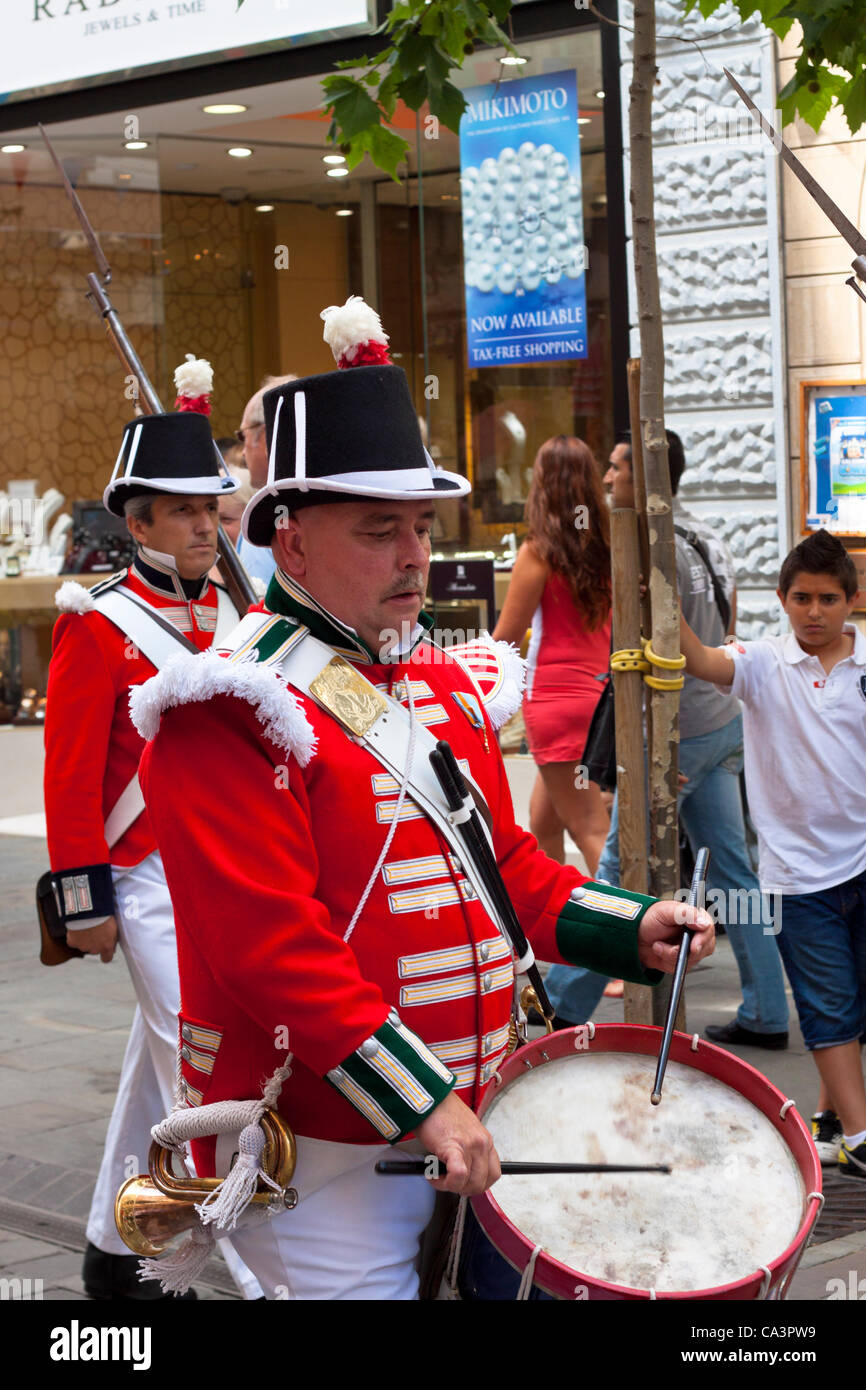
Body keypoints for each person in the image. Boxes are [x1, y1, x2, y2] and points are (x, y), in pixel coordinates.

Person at [132, 297, 714, 1300]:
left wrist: (633, 924)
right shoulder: (227, 700)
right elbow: (273, 949)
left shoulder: (439, 683)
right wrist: (424, 1102)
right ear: (291, 538)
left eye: (419, 526)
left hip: (471, 1113)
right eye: (378, 530)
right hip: (321, 1146)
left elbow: (508, 872)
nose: (413, 555)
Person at [43, 410, 262, 1299]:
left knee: (159, 1068)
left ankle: (110, 1248)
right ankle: (260, 1277)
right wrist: (85, 902)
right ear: (138, 526)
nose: (207, 525)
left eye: (212, 508)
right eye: (183, 512)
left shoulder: (238, 612)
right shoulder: (96, 625)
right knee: (204, 1072)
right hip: (144, 882)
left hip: (226, 871)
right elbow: (69, 778)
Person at [542, 432, 789, 1044]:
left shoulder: (655, 548)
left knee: (615, 867)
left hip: (678, 729)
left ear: (649, 476)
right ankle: (768, 1012)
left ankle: (559, 1003)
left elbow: (664, 648)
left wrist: (659, 746)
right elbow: (724, 626)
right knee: (735, 875)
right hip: (718, 721)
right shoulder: (710, 537)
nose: (607, 475)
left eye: (619, 465)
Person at [680, 529, 866, 1177]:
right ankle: (863, 1138)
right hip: (794, 875)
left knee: (856, 1004)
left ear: (853, 600)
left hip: (864, 861)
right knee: (827, 1004)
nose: (814, 611)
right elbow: (702, 660)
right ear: (782, 600)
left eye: (828, 598)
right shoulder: (761, 664)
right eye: (801, 598)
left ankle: (834, 1120)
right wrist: (656, 600)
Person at [493, 435, 612, 874]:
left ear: (541, 485)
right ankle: (555, 932)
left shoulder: (538, 552)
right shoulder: (611, 549)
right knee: (543, 826)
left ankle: (631, 931)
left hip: (554, 703)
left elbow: (504, 639)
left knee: (590, 829)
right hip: (598, 702)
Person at [234, 374, 297, 588]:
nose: (242, 453)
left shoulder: (263, 519)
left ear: (265, 434)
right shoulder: (336, 505)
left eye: (243, 436)